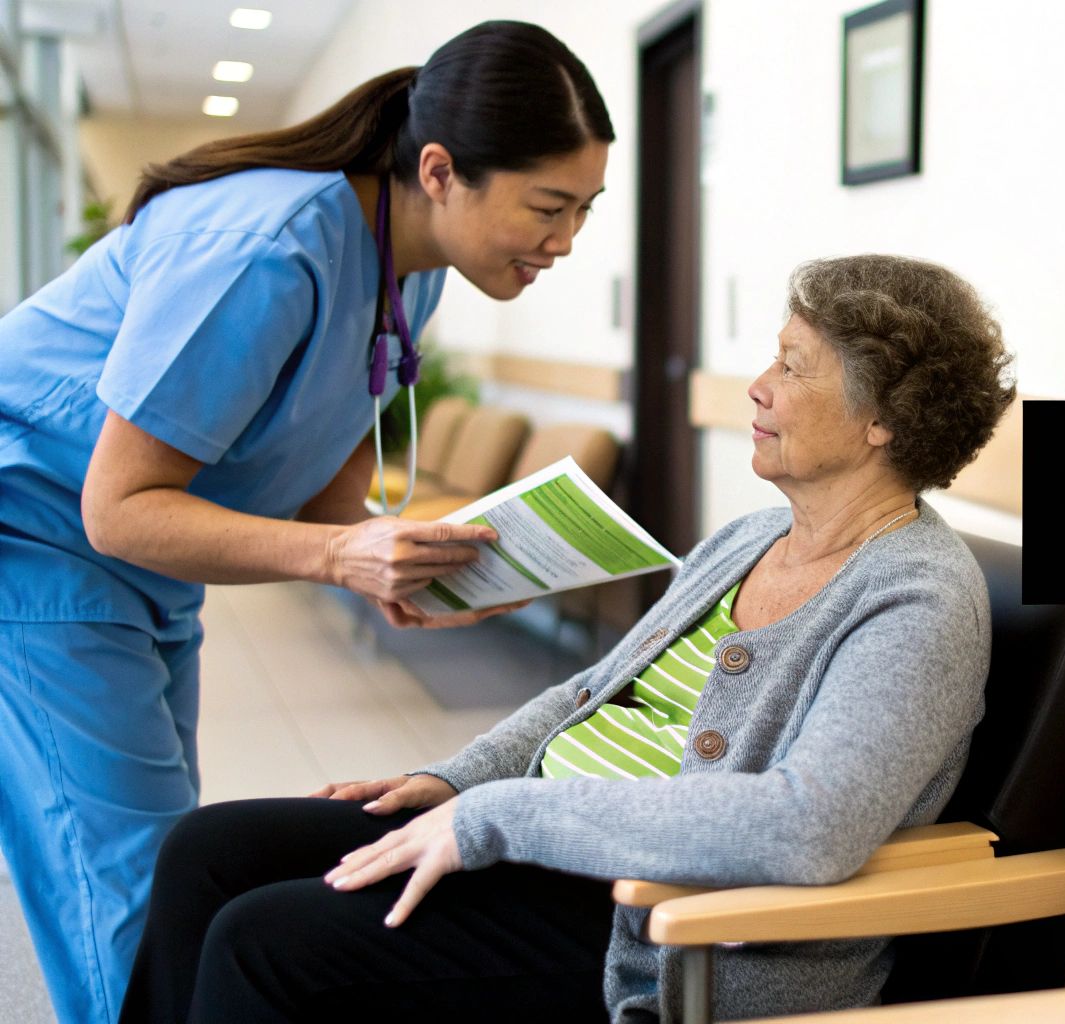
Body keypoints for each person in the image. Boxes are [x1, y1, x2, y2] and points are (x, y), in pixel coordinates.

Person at [120, 254, 1019, 1022]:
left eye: (793, 366)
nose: (757, 385)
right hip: (546, 844)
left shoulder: (919, 599)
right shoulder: (750, 538)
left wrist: (497, 817)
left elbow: (807, 828)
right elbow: (593, 691)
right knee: (207, 852)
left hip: (658, 920)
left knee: (263, 943)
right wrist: (460, 780)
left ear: (881, 418)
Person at [0, 21, 613, 1024]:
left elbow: (333, 460)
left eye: (584, 209)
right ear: (440, 171)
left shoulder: (408, 265)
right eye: (548, 206)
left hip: (144, 569)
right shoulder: (266, 250)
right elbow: (118, 506)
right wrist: (341, 554)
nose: (566, 240)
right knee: (124, 895)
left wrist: (411, 565)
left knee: (170, 868)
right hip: (37, 539)